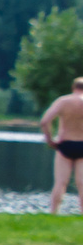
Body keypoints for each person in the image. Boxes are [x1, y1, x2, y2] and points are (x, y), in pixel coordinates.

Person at [43, 78, 83, 214]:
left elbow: (45, 121)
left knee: (60, 182)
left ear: (73, 87)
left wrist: (50, 140)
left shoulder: (63, 101)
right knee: (81, 183)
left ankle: (54, 212)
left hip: (65, 143)